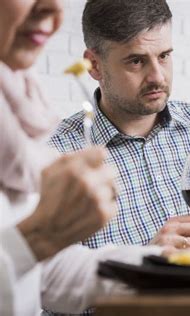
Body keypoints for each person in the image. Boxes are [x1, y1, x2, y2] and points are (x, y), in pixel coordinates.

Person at [49, 0, 190, 252]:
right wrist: (144, 257)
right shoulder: (56, 159)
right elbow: (54, 280)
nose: (158, 77)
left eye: (164, 56)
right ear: (94, 65)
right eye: (136, 61)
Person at [0, 0, 119, 315]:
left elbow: (48, 273)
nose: (54, 10)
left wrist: (174, 265)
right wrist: (37, 239)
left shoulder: (15, 124)